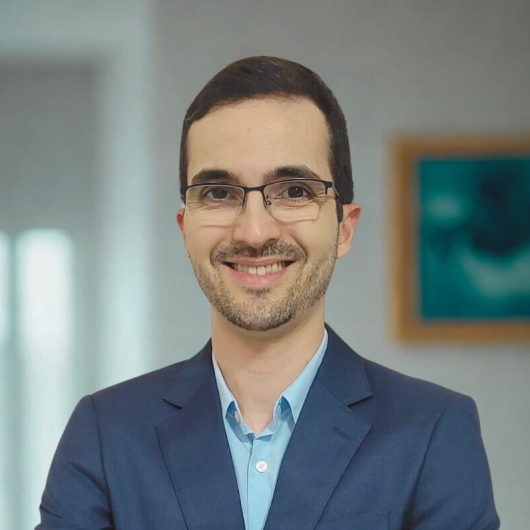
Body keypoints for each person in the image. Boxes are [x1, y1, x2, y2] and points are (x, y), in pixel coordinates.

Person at [37, 56, 499, 530]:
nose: (255, 232)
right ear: (185, 229)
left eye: (295, 190)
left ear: (344, 227)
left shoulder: (433, 431)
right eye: (219, 193)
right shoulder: (104, 435)